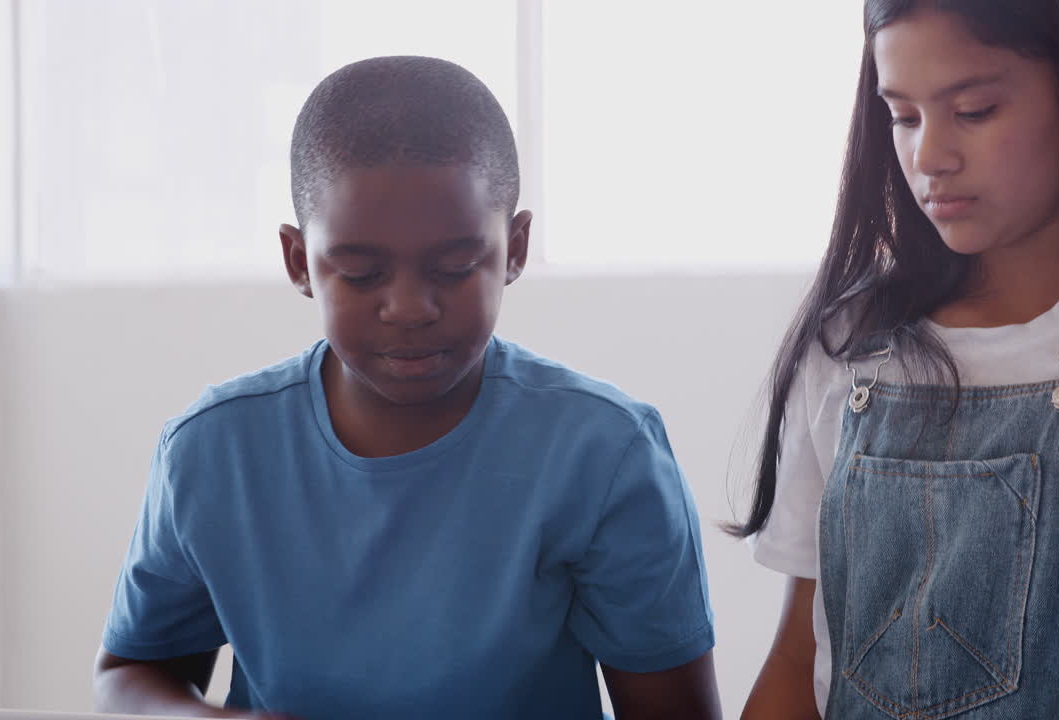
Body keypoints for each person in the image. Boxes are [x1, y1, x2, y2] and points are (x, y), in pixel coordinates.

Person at [93, 55, 720, 720]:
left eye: (454, 267)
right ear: (300, 261)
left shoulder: (603, 455)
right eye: (361, 274)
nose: (410, 307)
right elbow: (131, 673)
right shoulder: (213, 451)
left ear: (515, 248)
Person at [734, 2, 1059, 718]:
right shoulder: (849, 346)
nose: (929, 157)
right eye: (904, 116)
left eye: (974, 111)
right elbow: (796, 663)